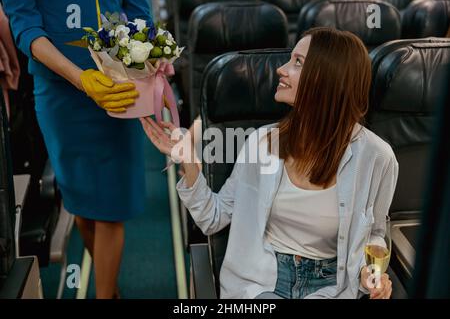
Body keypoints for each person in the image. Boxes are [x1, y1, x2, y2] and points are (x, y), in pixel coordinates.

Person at [142, 27, 398, 299]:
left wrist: (372, 273)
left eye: (297, 62)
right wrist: (189, 162)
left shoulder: (377, 157)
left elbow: (376, 233)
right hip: (264, 282)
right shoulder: (261, 142)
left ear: (327, 79)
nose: (281, 69)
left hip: (332, 287)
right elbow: (213, 218)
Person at [3, 0, 152, 298]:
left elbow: (139, 12)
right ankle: (109, 284)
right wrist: (81, 79)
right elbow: (26, 27)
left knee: (110, 207)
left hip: (118, 83)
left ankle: (105, 293)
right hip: (61, 96)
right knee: (81, 205)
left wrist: (150, 56)